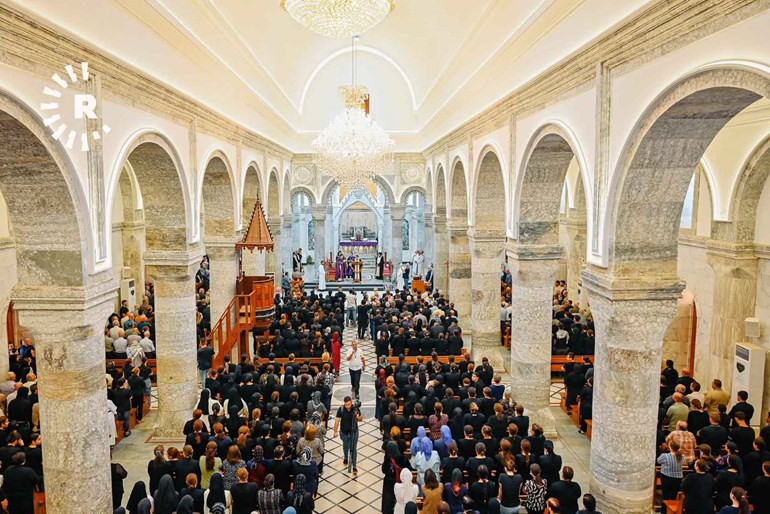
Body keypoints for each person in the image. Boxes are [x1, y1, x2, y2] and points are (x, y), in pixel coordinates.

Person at [334, 396, 362, 473]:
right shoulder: (341, 409)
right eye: (346, 405)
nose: (347, 406)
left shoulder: (355, 409)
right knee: (345, 446)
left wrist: (357, 417)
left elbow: (361, 418)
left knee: (354, 448)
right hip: (344, 433)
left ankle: (354, 466)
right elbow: (337, 420)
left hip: (354, 432)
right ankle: (346, 457)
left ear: (351, 403)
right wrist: (335, 431)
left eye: (349, 404)